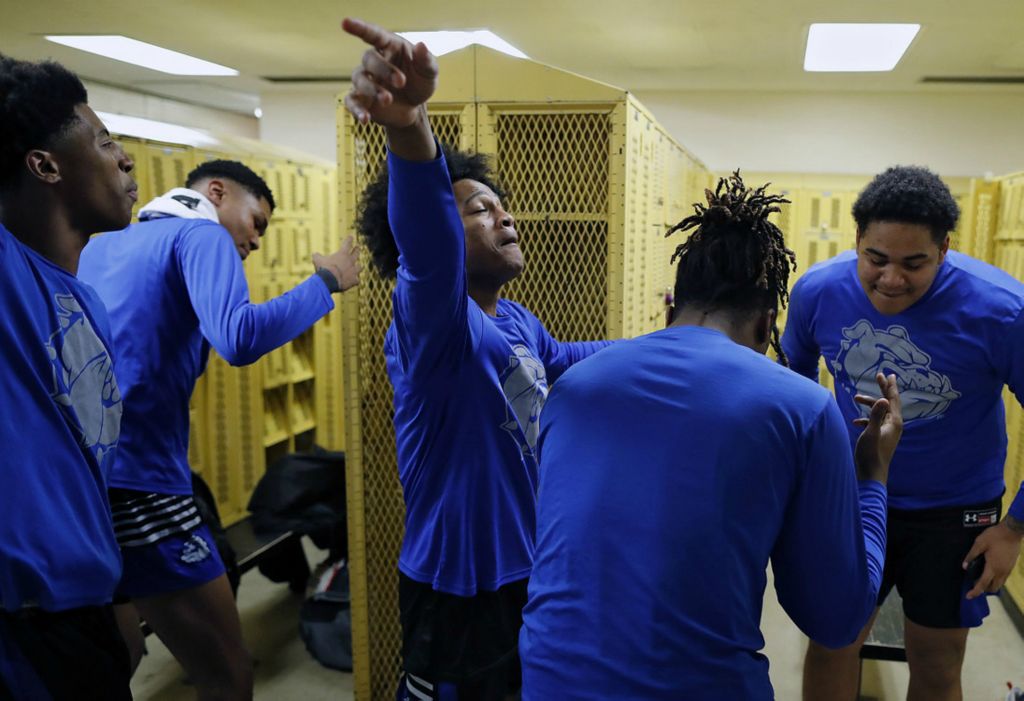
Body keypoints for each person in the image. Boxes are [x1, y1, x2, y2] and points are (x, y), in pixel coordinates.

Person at [518, 172, 903, 700]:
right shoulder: (802, 406)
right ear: (767, 326)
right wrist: (872, 474)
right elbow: (836, 620)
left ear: (671, 304)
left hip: (546, 682)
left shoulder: (574, 386)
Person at [342, 18, 614, 701]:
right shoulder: (436, 327)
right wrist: (407, 127)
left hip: (526, 568)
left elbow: (566, 360)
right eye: (479, 210)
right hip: (457, 586)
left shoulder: (516, 319)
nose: (506, 218)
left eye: (503, 206)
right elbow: (429, 246)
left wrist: (675, 339)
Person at [77, 159, 360, 700]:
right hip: (146, 484)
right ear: (216, 193)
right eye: (256, 222)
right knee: (229, 674)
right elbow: (237, 337)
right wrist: (326, 282)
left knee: (123, 653)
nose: (254, 241)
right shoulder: (200, 235)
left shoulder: (105, 243)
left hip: (84, 482)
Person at [787, 165, 1024, 701]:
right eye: (877, 259)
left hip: (954, 508)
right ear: (857, 241)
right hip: (849, 495)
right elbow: (792, 385)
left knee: (938, 659)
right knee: (832, 642)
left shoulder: (1002, 311)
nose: (891, 279)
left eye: (914, 263)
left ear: (945, 249)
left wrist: (1013, 530)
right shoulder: (817, 293)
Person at [0, 54, 136, 700]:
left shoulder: (86, 303)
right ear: (44, 164)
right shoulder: (9, 277)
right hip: (23, 627)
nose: (126, 159)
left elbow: (83, 470)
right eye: (105, 142)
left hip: (87, 612)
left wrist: (116, 593)